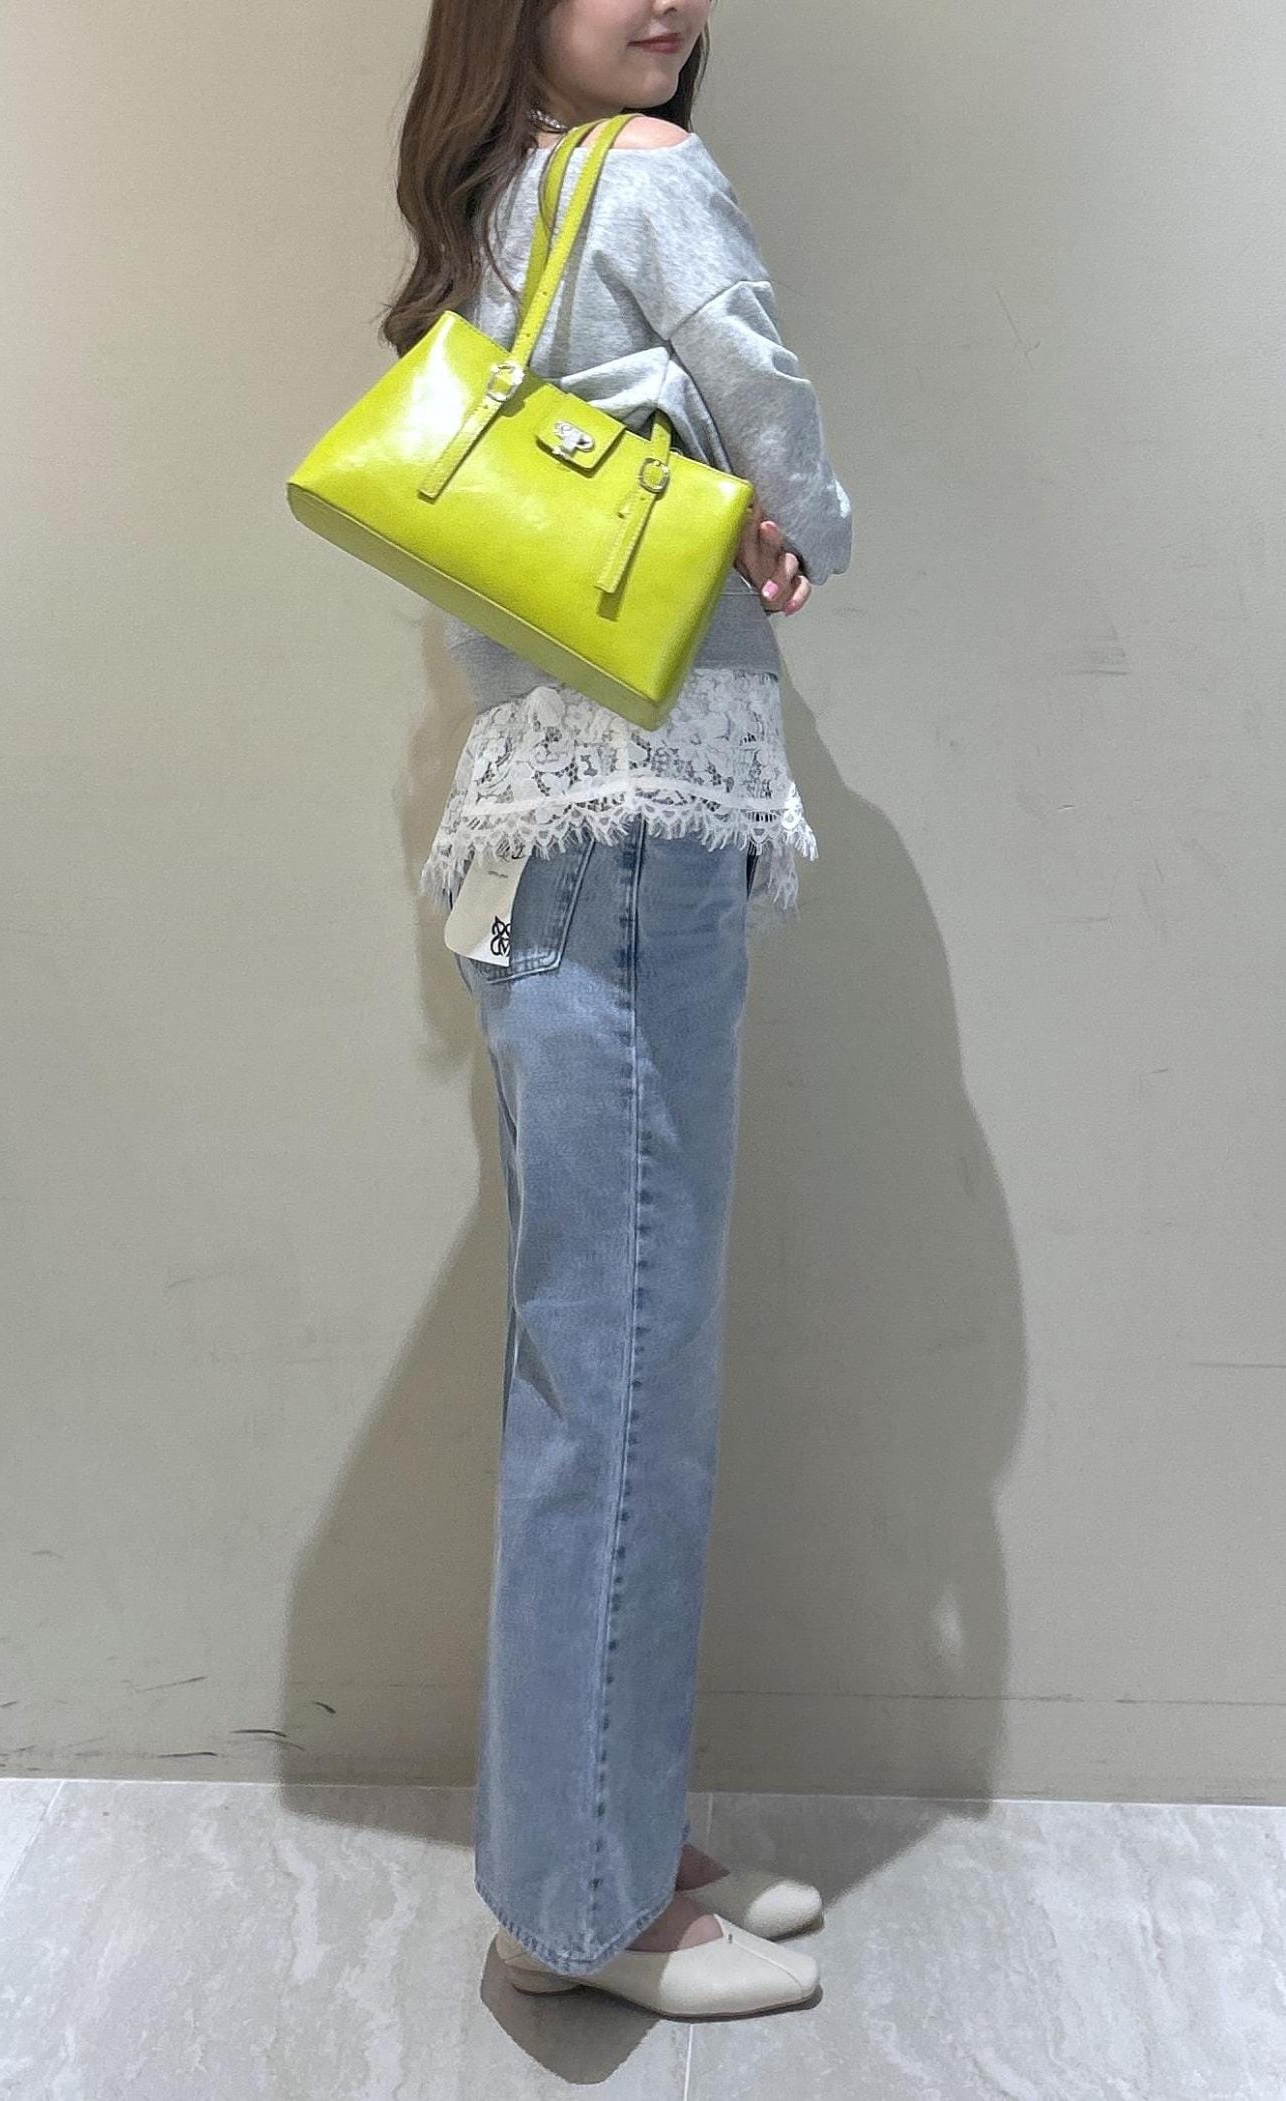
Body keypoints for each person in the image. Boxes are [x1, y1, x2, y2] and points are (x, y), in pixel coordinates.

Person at [381, 0, 852, 2019]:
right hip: (636, 822)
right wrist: (812, 517)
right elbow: (771, 398)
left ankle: (607, 1825)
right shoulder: (645, 177)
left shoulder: (509, 199)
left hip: (546, 827)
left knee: (595, 1361)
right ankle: (582, 1908)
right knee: (630, 1369)